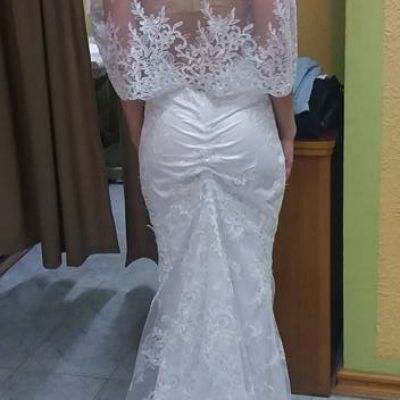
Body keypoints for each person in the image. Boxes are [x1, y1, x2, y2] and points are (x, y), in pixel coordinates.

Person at [91, 0, 298, 399]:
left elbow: (123, 51)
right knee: (250, 287)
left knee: (181, 283)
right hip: (244, 129)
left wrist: (140, 130)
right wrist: (288, 128)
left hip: (170, 129)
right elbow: (273, 42)